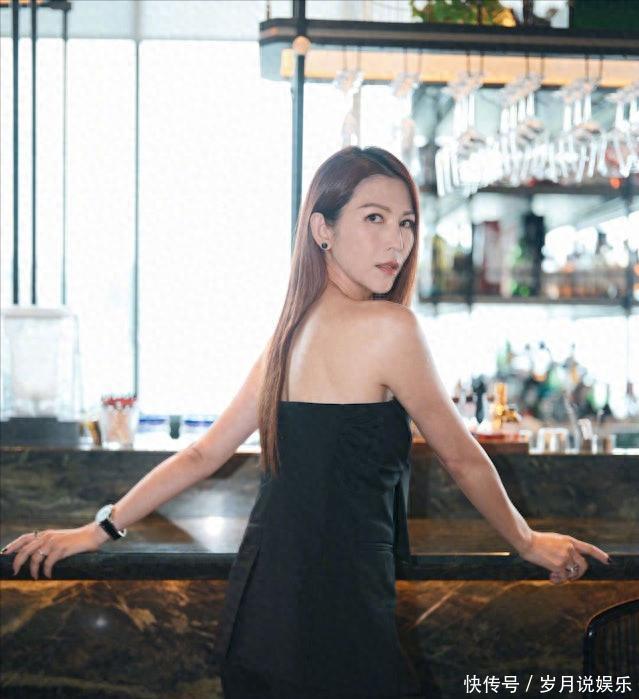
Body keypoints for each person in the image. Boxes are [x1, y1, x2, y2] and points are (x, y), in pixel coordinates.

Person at [2, 146, 611, 698]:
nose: (396, 242)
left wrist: (98, 529)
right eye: (374, 218)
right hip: (338, 609)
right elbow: (459, 455)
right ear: (323, 229)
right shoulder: (391, 329)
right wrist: (526, 542)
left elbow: (203, 455)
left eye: (405, 223)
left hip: (262, 606)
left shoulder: (287, 337)